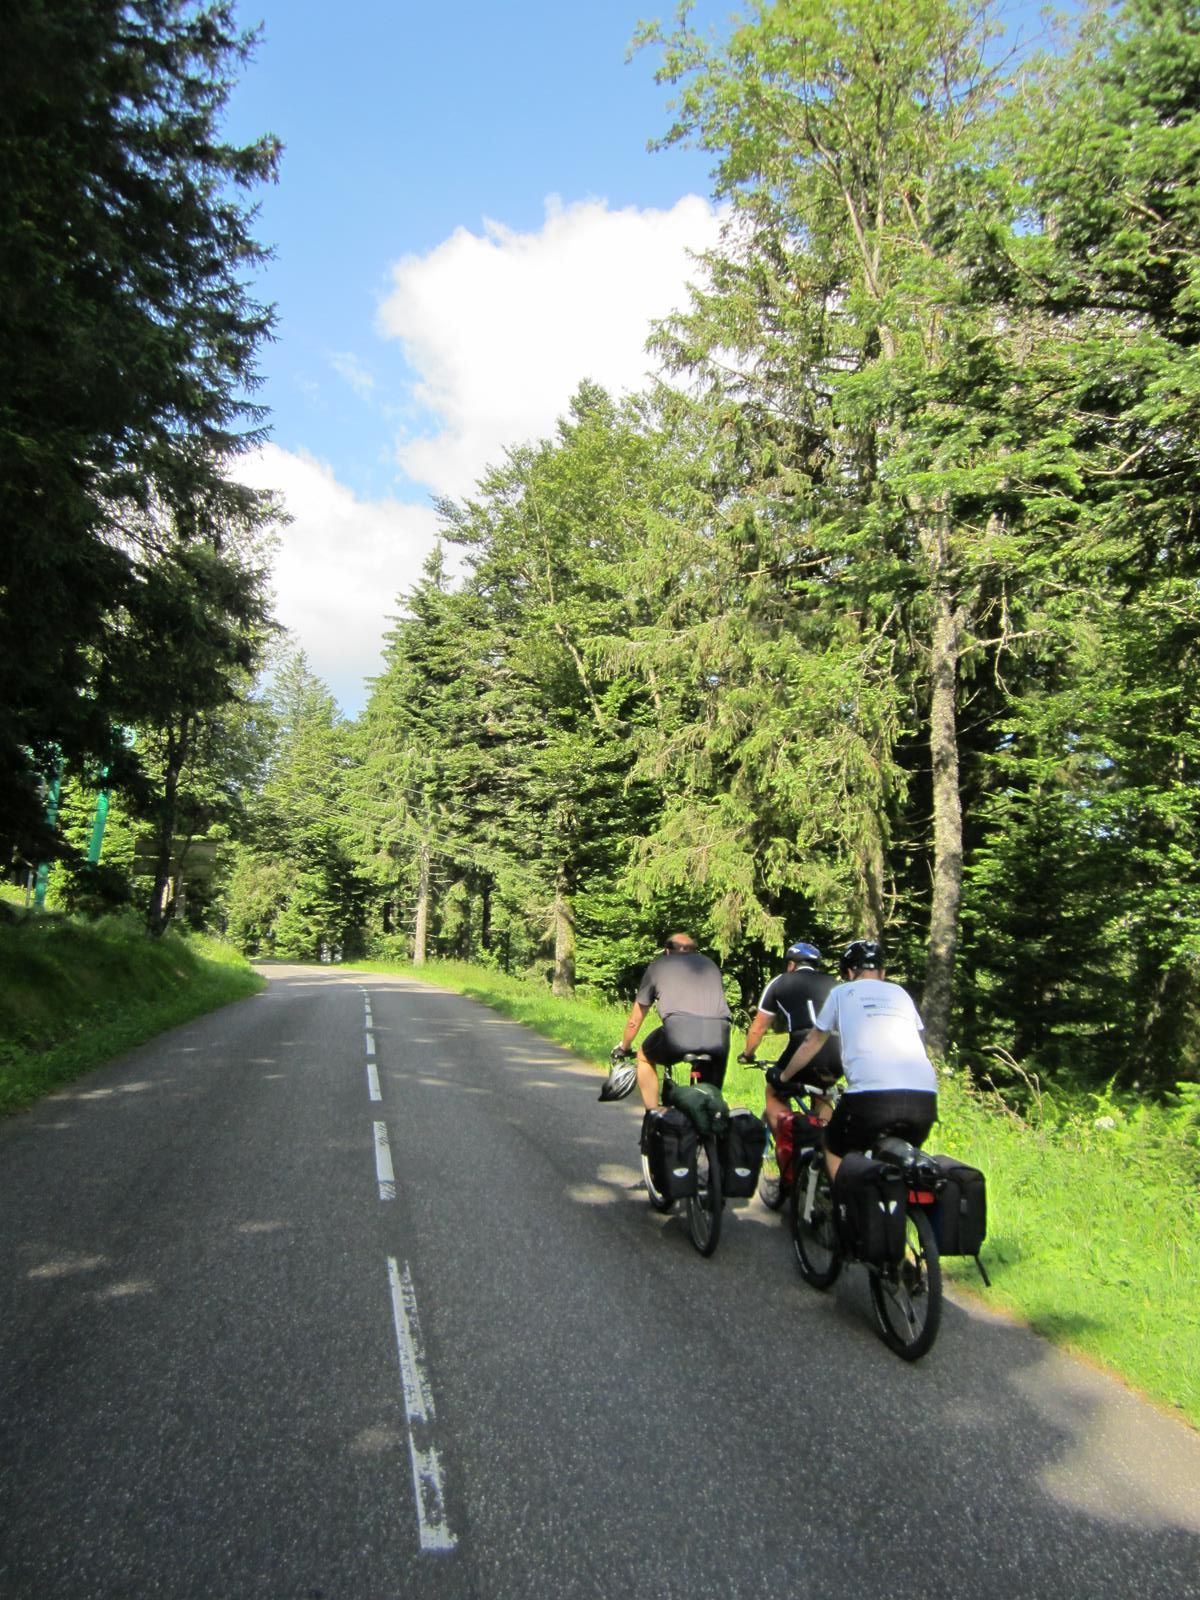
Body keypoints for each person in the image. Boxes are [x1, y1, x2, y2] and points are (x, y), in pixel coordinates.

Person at [773, 938, 937, 1184]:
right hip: (924, 1099)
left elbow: (811, 1043)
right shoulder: (901, 994)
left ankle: (844, 1204)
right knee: (901, 1166)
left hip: (871, 1098)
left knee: (832, 1145)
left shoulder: (841, 993)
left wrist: (784, 1076)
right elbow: (920, 1041)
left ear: (850, 972)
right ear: (883, 972)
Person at [615, 933, 732, 1111]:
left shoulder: (658, 966)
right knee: (711, 1098)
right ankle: (712, 1124)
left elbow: (635, 1019)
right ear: (695, 950)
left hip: (679, 1033)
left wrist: (624, 1046)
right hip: (719, 1035)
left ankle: (653, 1111)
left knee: (644, 1057)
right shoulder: (709, 964)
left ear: (667, 951)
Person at [738, 941, 842, 1134]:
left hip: (804, 1044)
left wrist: (747, 1054)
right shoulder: (834, 984)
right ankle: (822, 1144)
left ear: (792, 964)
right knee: (823, 1093)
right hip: (837, 1048)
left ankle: (787, 1144)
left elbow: (758, 1028)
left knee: (774, 1091)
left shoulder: (780, 982)